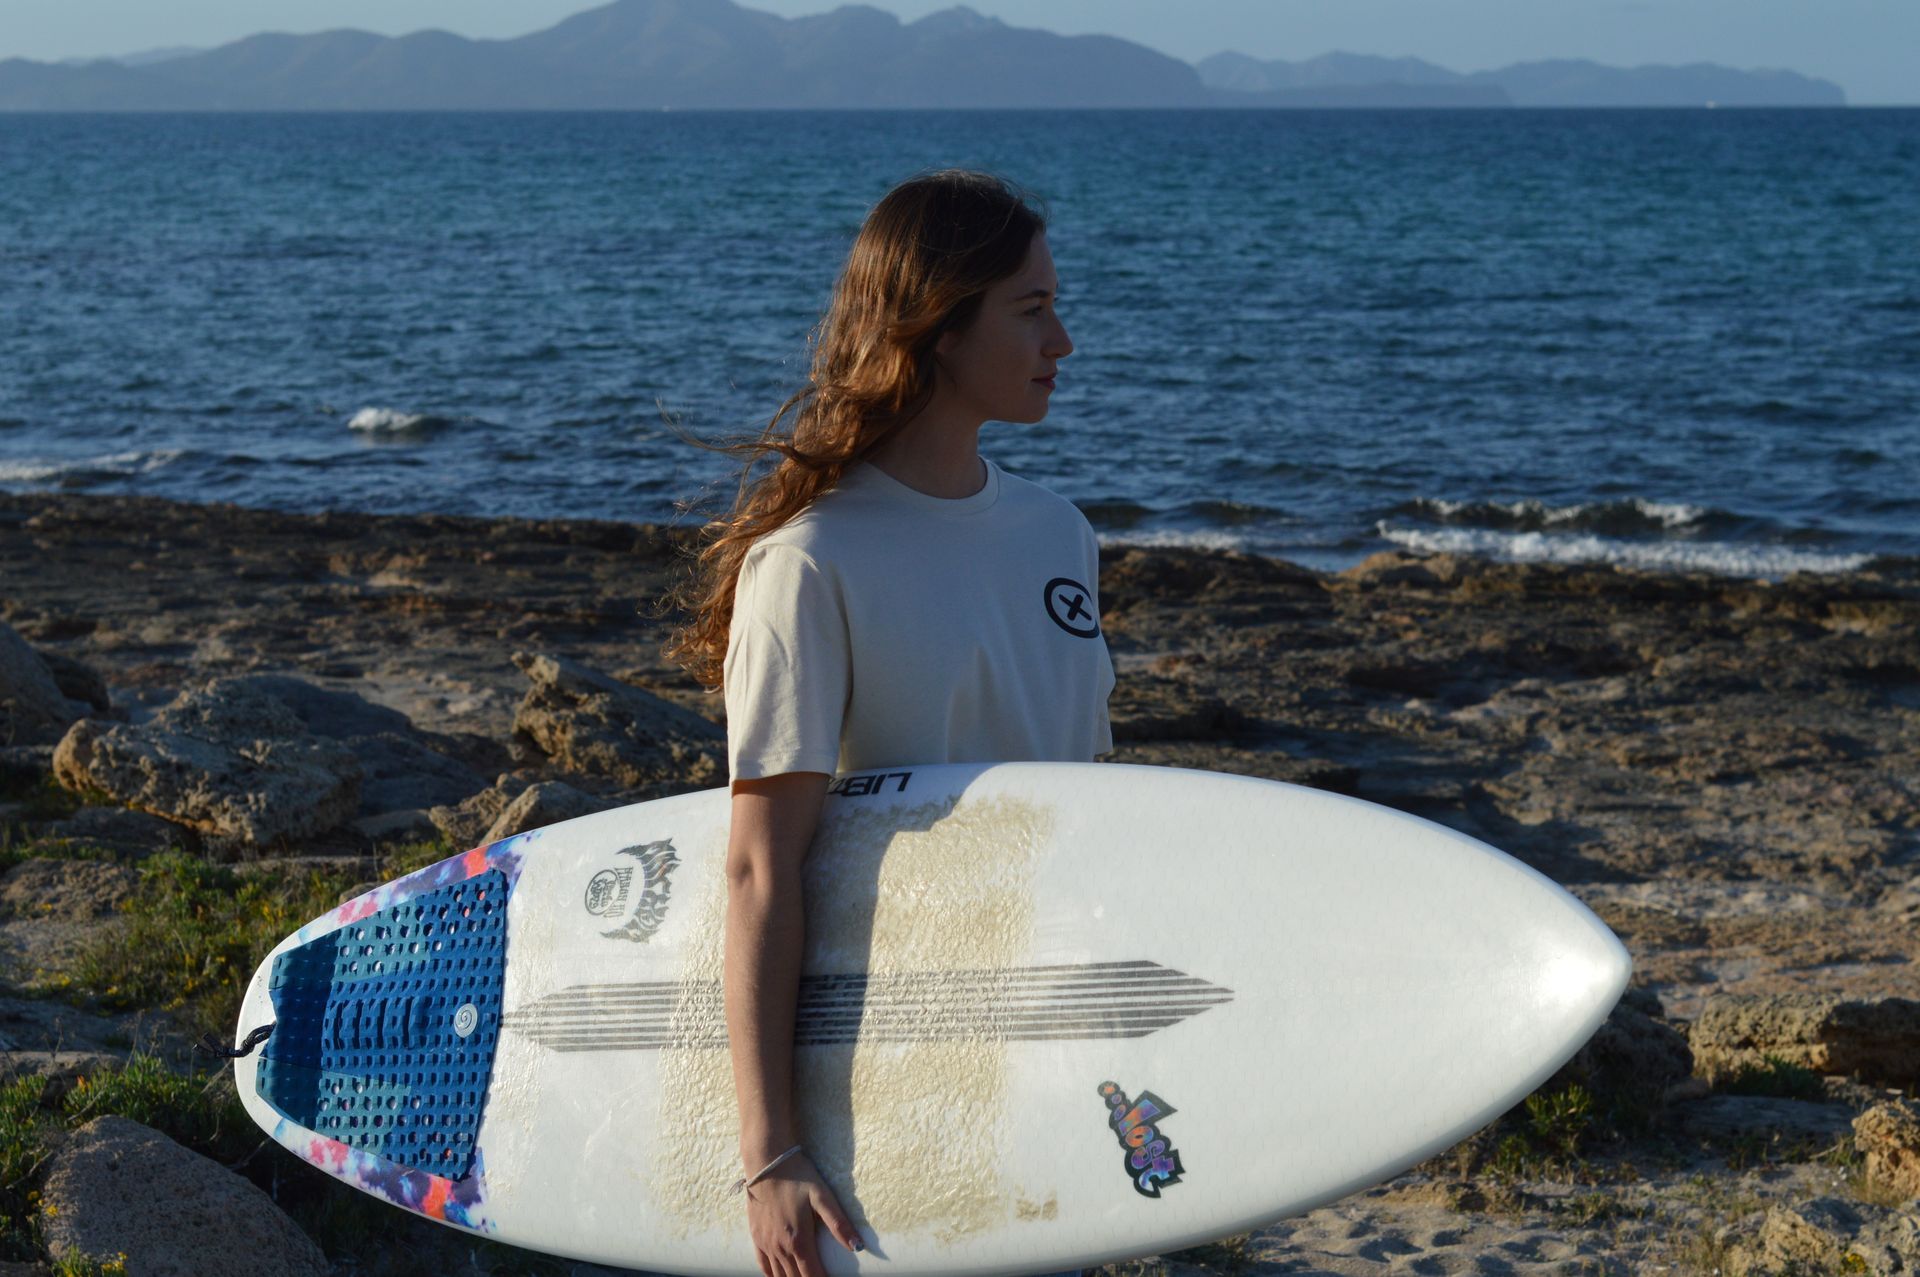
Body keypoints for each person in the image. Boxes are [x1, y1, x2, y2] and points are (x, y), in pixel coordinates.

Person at [668, 169, 1113, 1277]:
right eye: (1032, 308)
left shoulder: (1060, 535)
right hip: (908, 1064)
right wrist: (769, 1151)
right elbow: (763, 869)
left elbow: (1094, 805)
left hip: (1058, 1034)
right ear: (939, 325)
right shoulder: (811, 564)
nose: (1064, 337)